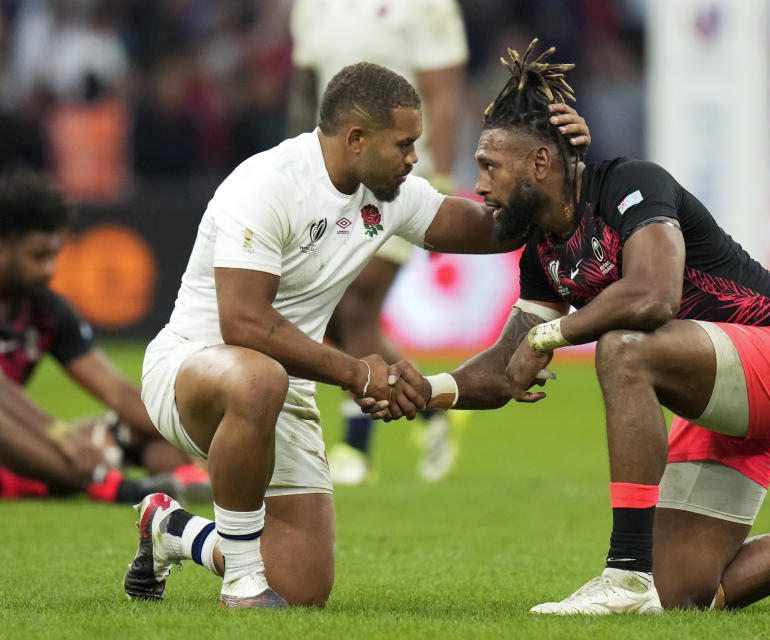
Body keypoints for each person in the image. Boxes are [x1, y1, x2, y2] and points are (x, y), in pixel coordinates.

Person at [363, 41, 770, 616]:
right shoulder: (543, 251)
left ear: (540, 163)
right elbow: (505, 366)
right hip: (713, 391)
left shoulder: (629, 184)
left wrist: (551, 336)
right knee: (685, 594)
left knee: (625, 347)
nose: (480, 186)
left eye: (489, 166)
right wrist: (428, 391)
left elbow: (653, 296)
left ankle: (624, 574)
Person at [122, 61, 591, 608]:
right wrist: (355, 372)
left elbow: (494, 229)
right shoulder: (266, 185)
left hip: (281, 386)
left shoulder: (389, 193)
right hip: (194, 368)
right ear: (356, 138)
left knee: (301, 589)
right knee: (257, 380)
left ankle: (171, 529)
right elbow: (243, 323)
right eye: (405, 143)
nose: (415, 157)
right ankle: (243, 585)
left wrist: (562, 172)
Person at [287, 0, 469, 484]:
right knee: (335, 311)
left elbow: (443, 94)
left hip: (403, 174)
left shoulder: (427, 7)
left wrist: (443, 180)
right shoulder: (310, 8)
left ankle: (356, 446)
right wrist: (294, 166)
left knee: (357, 302)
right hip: (335, 174)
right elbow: (307, 93)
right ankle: (429, 405)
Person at [0, 169, 208, 503]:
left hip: (25, 454)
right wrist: (59, 434)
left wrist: (189, 441)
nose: (50, 270)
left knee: (133, 426)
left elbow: (116, 391)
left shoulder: (46, 311)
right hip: (17, 441)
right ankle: (115, 486)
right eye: (38, 256)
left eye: (55, 255)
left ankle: (191, 478)